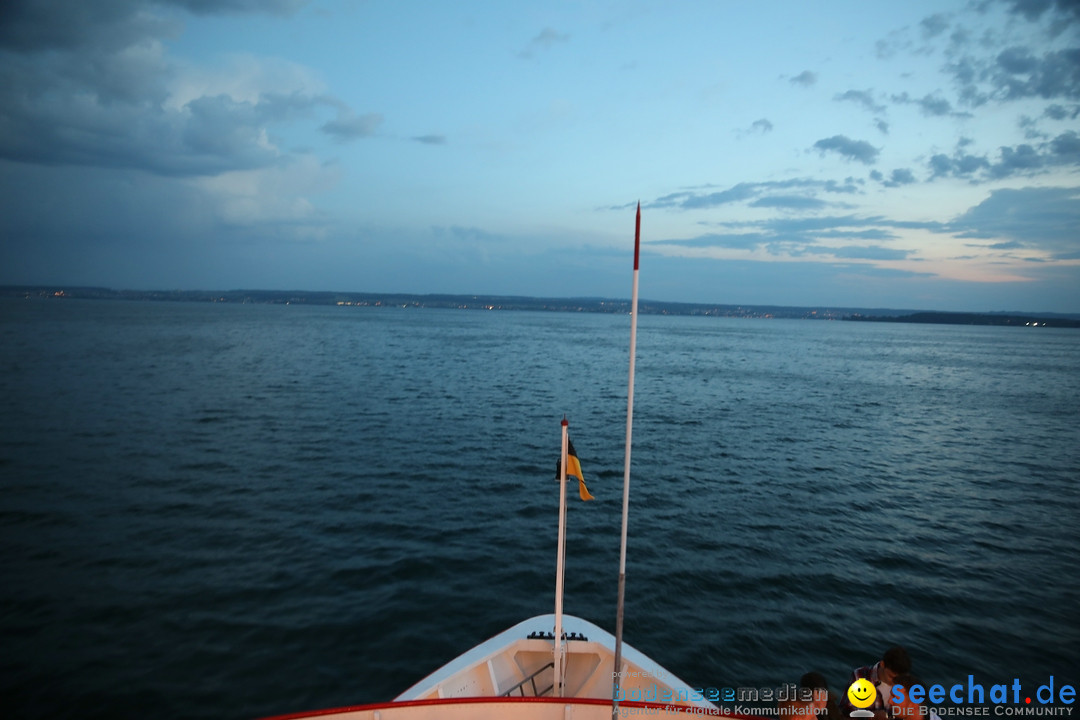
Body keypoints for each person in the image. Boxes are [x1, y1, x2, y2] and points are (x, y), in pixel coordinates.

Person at [841, 646, 912, 720]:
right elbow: (847, 710)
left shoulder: (905, 683)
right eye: (891, 677)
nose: (895, 681)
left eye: (899, 678)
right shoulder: (861, 676)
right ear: (882, 664)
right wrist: (871, 715)